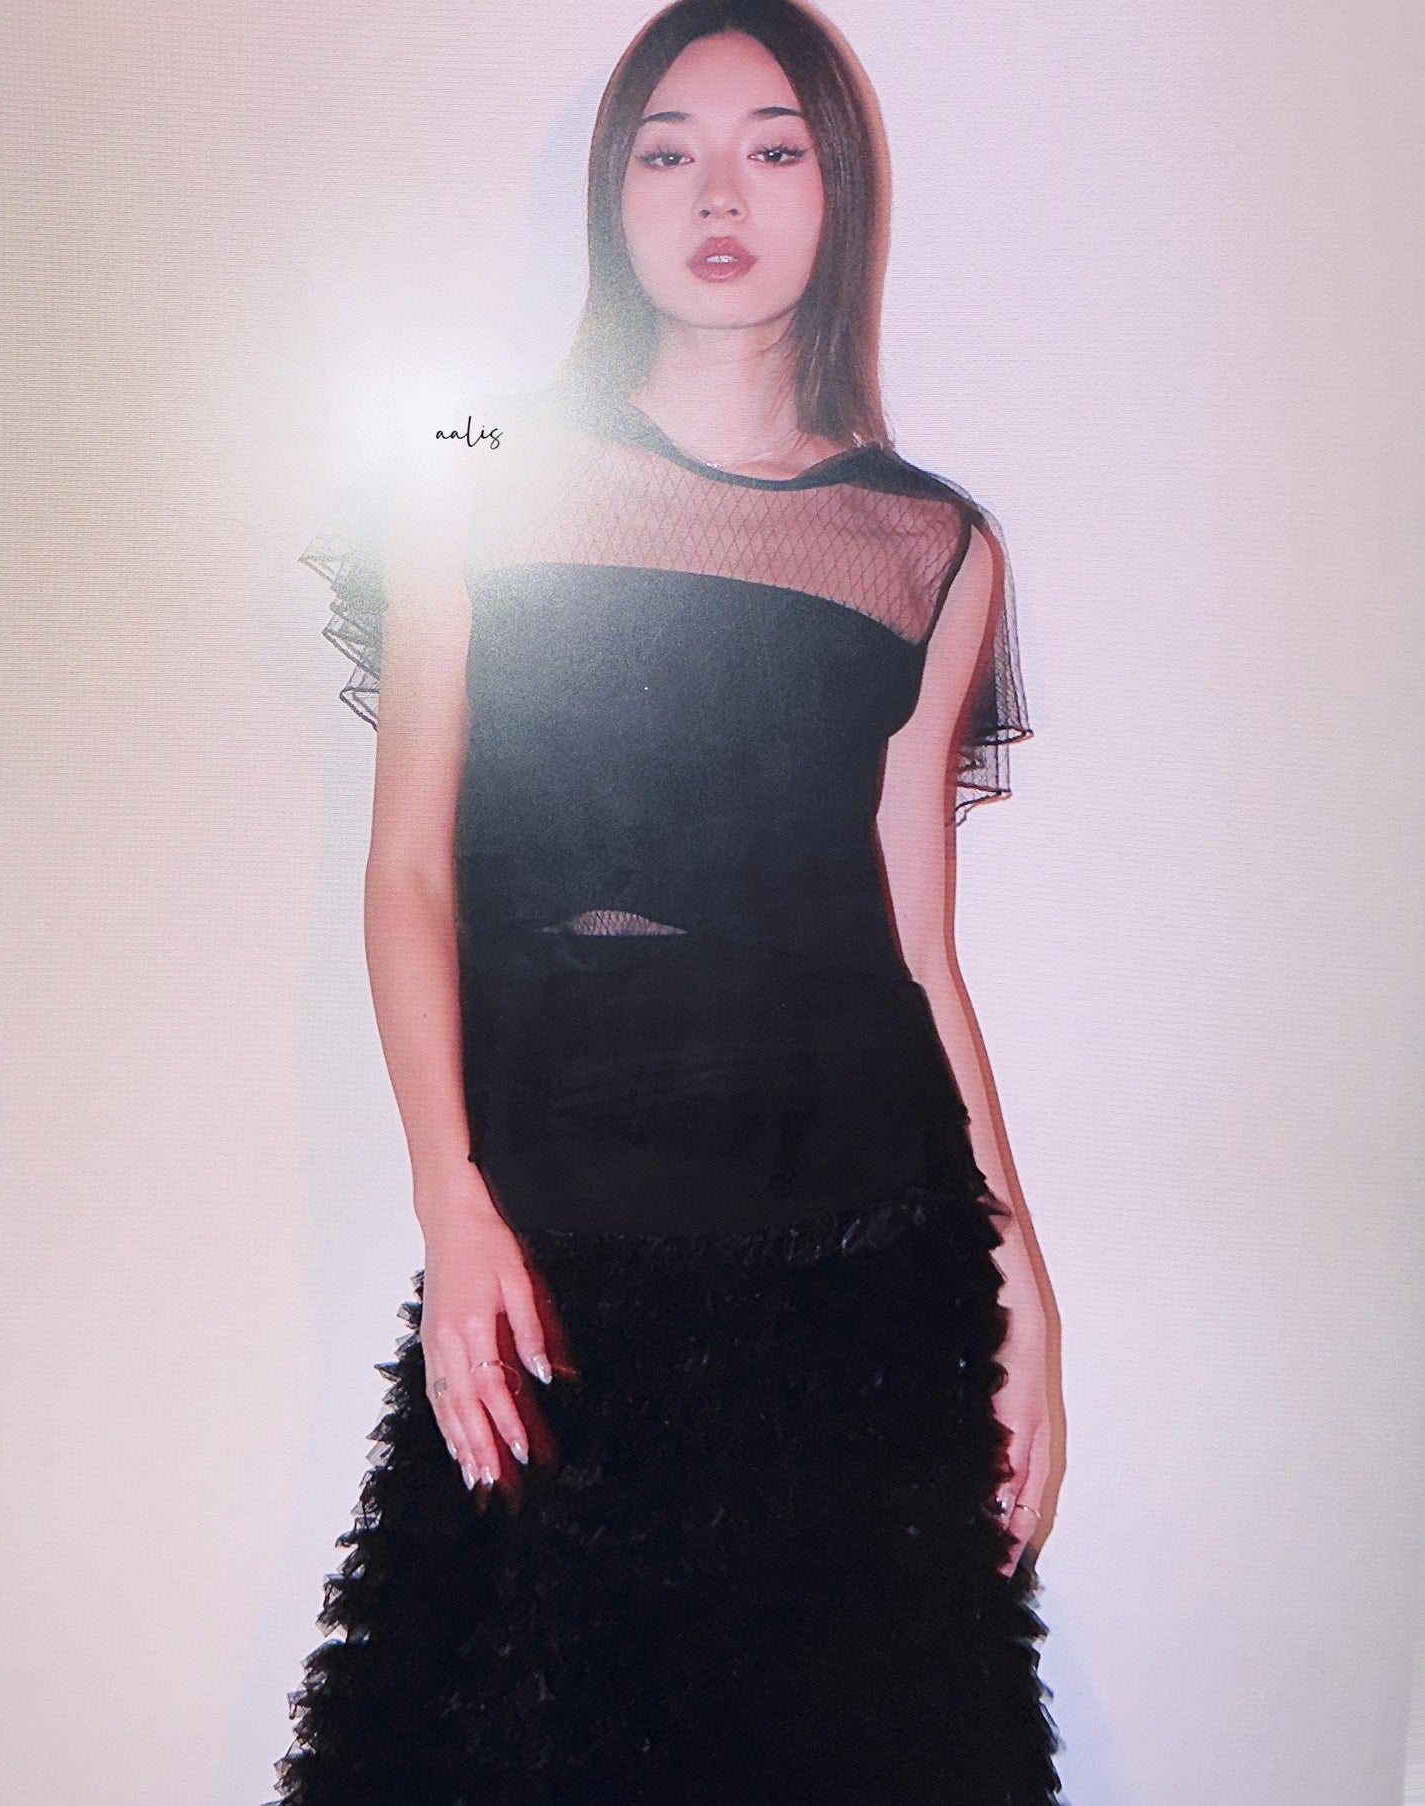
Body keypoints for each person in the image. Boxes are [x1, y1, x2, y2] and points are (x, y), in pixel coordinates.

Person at [272, 2, 1064, 1800]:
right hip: (561, 1232)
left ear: (838, 190)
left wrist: (1023, 1284)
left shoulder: (927, 544)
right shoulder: (470, 460)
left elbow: (919, 950)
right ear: (608, 193)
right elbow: (407, 870)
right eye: (667, 149)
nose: (720, 191)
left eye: (774, 147)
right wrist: (450, 1199)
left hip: (864, 1242)